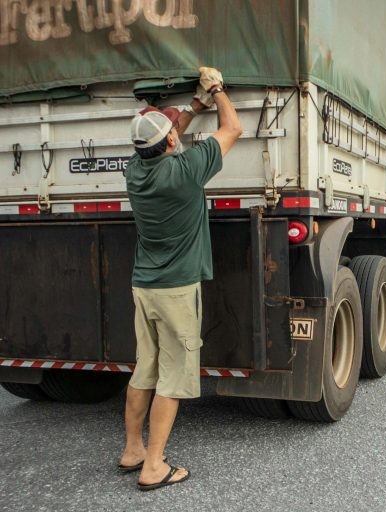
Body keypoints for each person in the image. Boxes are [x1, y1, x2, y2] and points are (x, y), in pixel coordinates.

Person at [117, 67, 242, 491]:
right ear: (171, 142)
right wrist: (217, 89)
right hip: (176, 290)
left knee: (144, 370)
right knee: (172, 378)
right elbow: (233, 128)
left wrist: (194, 105)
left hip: (144, 287)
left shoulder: (135, 171)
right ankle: (154, 466)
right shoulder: (186, 171)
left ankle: (133, 450)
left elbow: (164, 138)